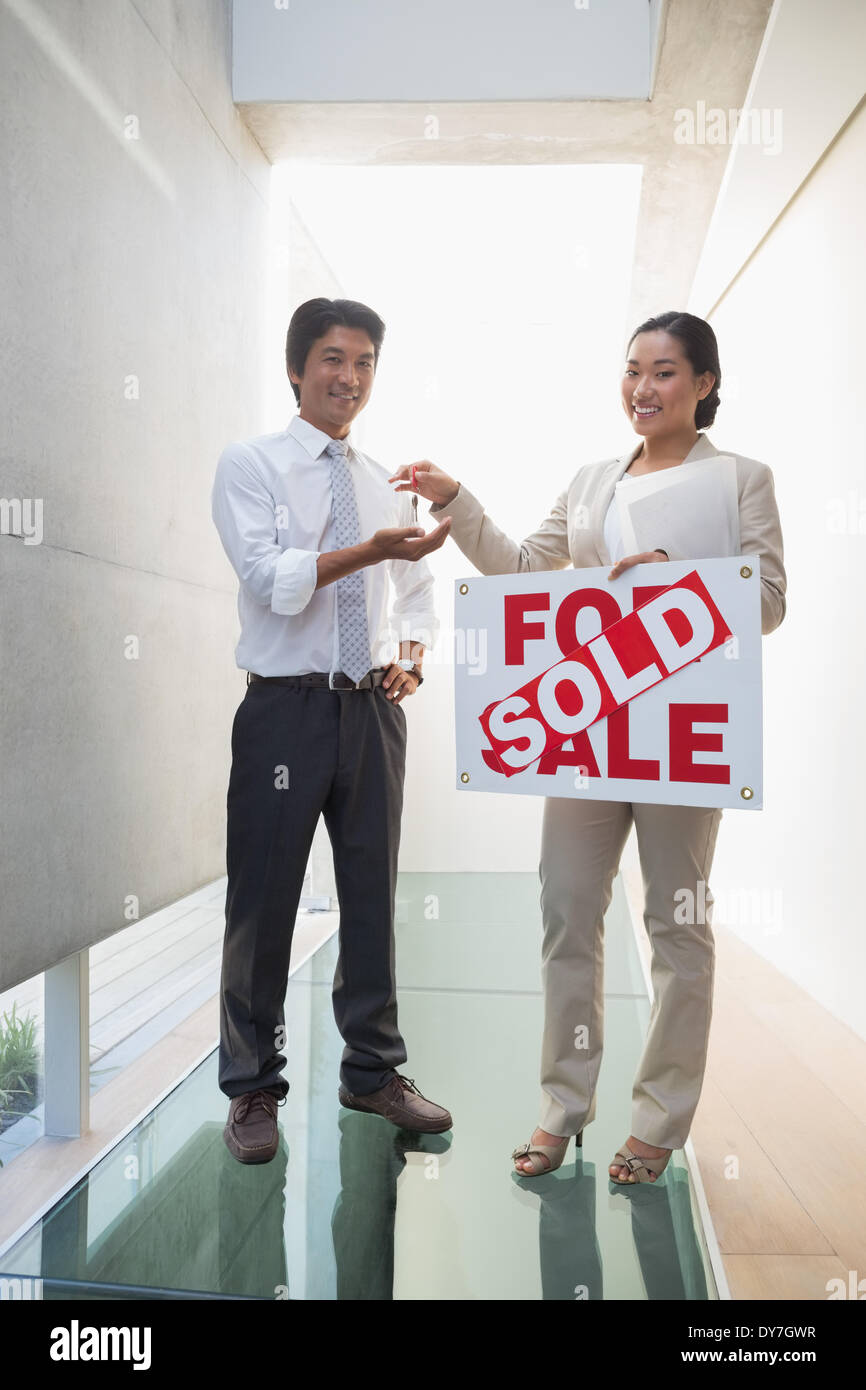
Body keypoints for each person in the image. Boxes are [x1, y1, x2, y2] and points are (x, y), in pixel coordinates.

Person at [390, 311, 786, 1184]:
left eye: (667, 372)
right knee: (568, 912)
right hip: (592, 729)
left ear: (706, 384)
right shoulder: (593, 480)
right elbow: (528, 568)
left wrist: (676, 582)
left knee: (676, 925)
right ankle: (562, 1108)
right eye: (633, 370)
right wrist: (457, 502)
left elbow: (768, 603)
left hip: (683, 734)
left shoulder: (742, 479)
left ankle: (659, 1122)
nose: (644, 388)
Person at [211, 297, 454, 1164]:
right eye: (332, 359)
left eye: (363, 363)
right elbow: (272, 577)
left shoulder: (384, 479)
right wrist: (376, 553)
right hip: (286, 708)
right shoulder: (252, 464)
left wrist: (413, 661)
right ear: (296, 368)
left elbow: (418, 594)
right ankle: (250, 1088)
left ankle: (373, 1071)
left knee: (371, 896)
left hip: (369, 711)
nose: (348, 377)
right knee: (263, 898)